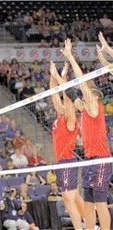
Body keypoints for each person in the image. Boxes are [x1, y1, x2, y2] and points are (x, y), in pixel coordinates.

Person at [60, 38, 112, 230]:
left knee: (100, 204)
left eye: (90, 93)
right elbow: (71, 94)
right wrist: (62, 77)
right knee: (88, 204)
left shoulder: (94, 106)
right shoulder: (83, 110)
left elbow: (82, 83)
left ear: (95, 96)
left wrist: (71, 57)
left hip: (101, 161)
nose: (86, 94)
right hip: (90, 160)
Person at [50, 60, 84, 229]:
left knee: (68, 200)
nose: (63, 104)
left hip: (67, 162)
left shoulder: (71, 119)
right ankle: (92, 223)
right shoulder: (59, 116)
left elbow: (66, 96)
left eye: (66, 103)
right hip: (61, 163)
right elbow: (53, 94)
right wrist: (52, 75)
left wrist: (62, 75)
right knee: (75, 198)